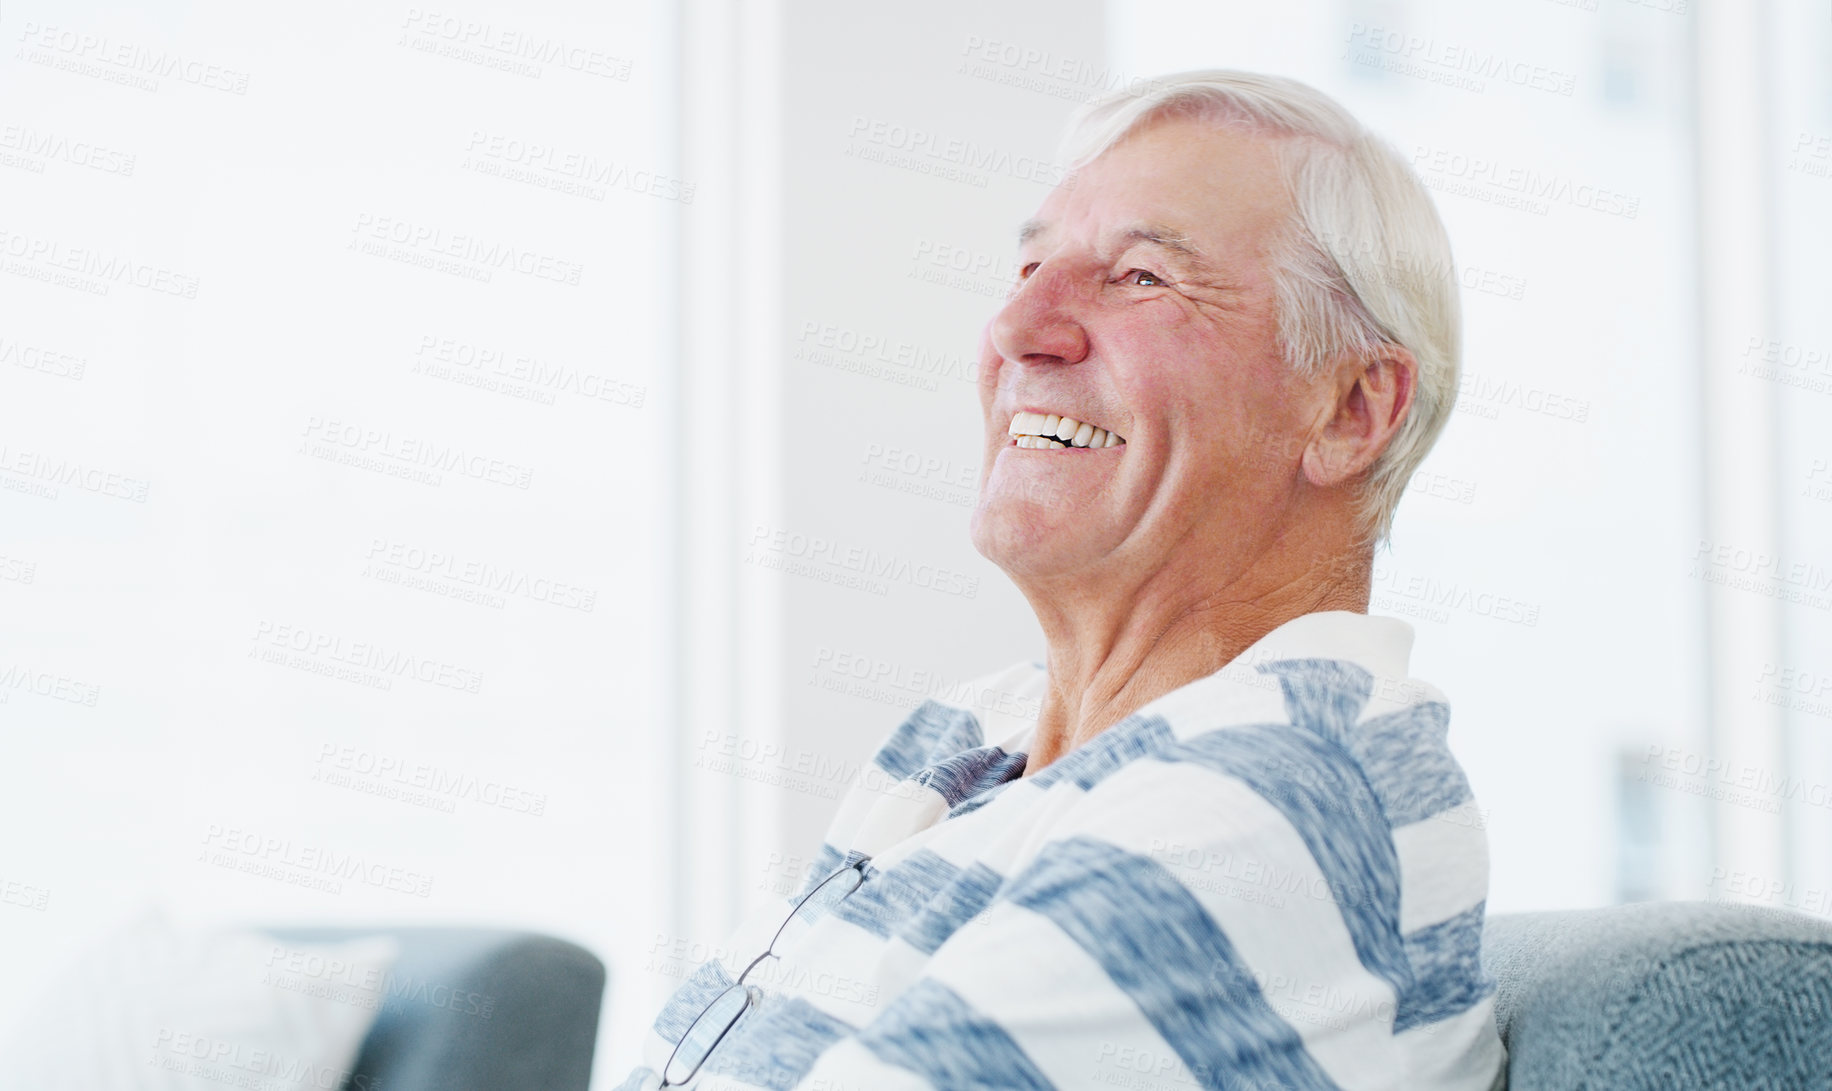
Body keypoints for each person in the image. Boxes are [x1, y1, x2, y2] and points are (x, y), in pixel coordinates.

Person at [617, 68, 1505, 1091]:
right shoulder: (965, 740)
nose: (1017, 329)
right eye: (1027, 264)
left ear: (1350, 409)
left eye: (1139, 278)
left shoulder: (1273, 788)